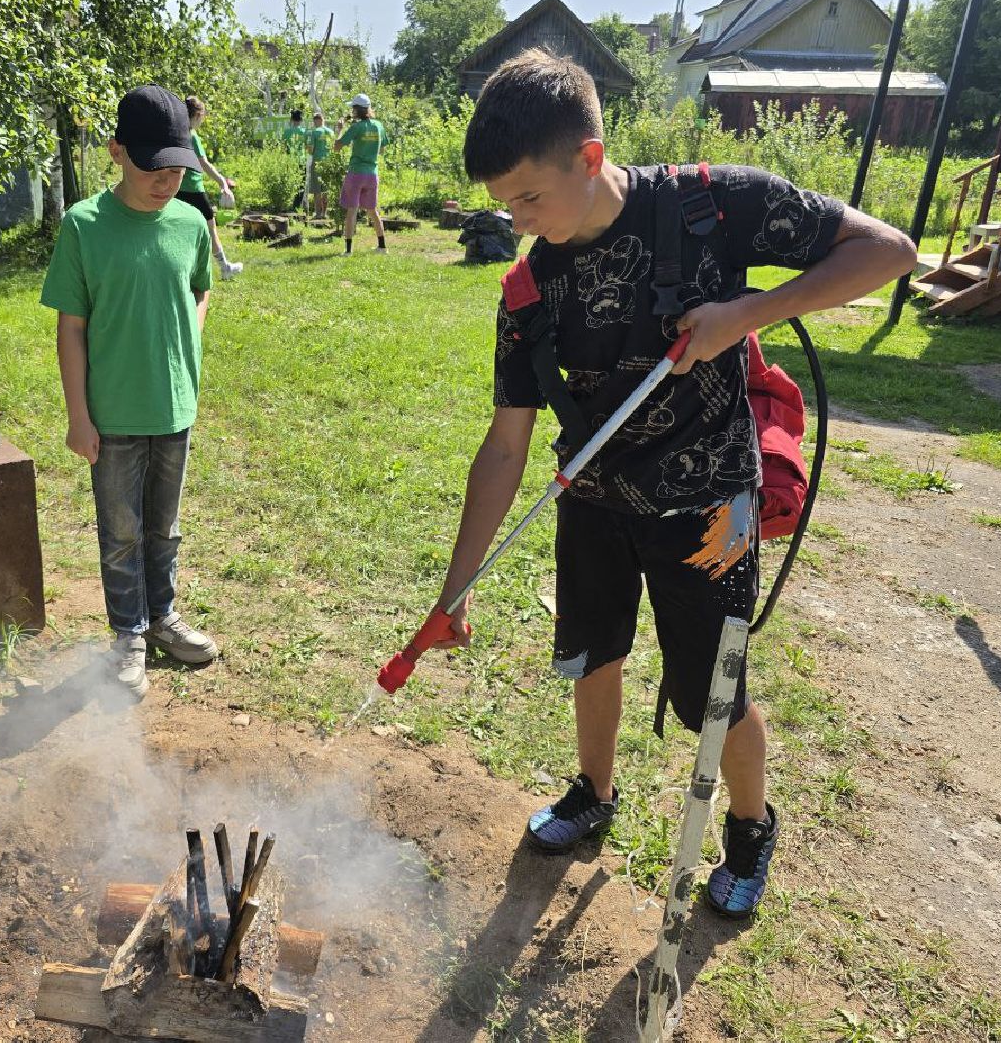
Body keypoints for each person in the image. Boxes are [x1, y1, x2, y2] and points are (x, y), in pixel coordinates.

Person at [430, 50, 916, 918]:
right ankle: (593, 793)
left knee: (712, 694)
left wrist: (745, 315)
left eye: (530, 199)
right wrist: (456, 584)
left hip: (709, 513)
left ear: (589, 155)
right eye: (505, 205)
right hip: (592, 506)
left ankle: (749, 828)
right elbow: (506, 446)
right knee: (591, 656)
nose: (520, 222)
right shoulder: (528, 287)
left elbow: (889, 251)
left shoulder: (709, 206)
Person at [41, 83, 221, 700]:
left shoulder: (191, 222)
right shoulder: (85, 227)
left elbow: (200, 288)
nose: (167, 179)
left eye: (179, 165)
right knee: (121, 531)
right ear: (117, 152)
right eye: (154, 166)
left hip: (173, 408)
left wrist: (190, 332)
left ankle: (162, 619)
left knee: (163, 528)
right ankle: (127, 635)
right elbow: (71, 327)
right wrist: (77, 416)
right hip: (112, 415)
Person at [176, 96, 243, 281]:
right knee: (211, 228)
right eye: (202, 116)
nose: (202, 120)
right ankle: (225, 267)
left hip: (176, 190)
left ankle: (183, 269)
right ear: (197, 115)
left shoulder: (175, 132)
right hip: (194, 190)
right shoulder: (192, 135)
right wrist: (222, 182)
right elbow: (204, 163)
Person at [334, 93, 388, 255]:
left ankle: (349, 250)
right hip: (372, 174)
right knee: (372, 210)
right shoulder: (378, 125)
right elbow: (382, 149)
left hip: (356, 173)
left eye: (353, 108)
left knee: (352, 210)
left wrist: (339, 129)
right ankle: (382, 247)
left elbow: (337, 147)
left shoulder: (356, 127)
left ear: (357, 110)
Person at [305, 111, 336, 219]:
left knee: (317, 189)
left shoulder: (314, 132)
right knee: (325, 189)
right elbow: (333, 148)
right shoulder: (331, 132)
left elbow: (310, 149)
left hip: (317, 162)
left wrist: (307, 148)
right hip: (328, 163)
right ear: (323, 120)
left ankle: (318, 214)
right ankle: (324, 213)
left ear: (316, 120)